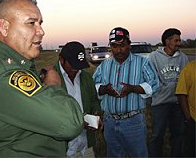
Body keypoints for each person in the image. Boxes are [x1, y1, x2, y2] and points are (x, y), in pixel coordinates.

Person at [0, 0, 84, 157]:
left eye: (40, 23)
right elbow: (71, 123)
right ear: (4, 27)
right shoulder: (5, 74)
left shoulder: (15, 64)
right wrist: (53, 85)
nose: (41, 31)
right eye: (31, 23)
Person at [93, 27, 159, 157]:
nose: (118, 50)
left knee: (138, 154)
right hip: (110, 121)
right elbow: (93, 84)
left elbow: (154, 84)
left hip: (133, 122)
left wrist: (133, 89)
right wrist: (104, 89)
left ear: (129, 45)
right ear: (110, 46)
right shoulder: (105, 64)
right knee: (114, 155)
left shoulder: (142, 62)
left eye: (122, 45)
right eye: (114, 46)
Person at [53, 41, 102, 158]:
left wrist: (96, 114)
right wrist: (78, 122)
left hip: (85, 144)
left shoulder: (86, 77)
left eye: (79, 65)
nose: (76, 69)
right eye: (73, 64)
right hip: (63, 147)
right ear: (61, 59)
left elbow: (94, 100)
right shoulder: (51, 78)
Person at [148, 28, 189, 157]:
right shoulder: (154, 57)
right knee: (157, 134)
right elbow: (152, 80)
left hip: (178, 103)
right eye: (176, 40)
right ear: (167, 41)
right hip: (160, 103)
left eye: (179, 40)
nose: (179, 43)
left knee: (178, 134)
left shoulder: (183, 58)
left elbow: (185, 81)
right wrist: (168, 88)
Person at [175, 60, 196, 157]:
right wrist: (188, 118)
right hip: (194, 119)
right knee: (191, 150)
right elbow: (181, 94)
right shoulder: (189, 68)